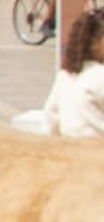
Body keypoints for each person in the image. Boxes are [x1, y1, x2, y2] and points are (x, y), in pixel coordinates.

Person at [44, 9, 104, 138]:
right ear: (94, 43)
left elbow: (51, 120)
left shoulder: (64, 76)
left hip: (68, 149)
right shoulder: (99, 77)